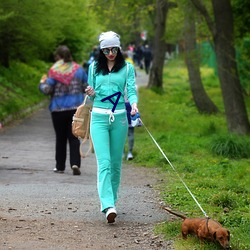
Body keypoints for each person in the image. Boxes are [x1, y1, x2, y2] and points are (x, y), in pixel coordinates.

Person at [85, 31, 138, 223]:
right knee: (104, 163)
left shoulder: (127, 68)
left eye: (114, 49)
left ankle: (112, 201)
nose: (110, 53)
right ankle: (107, 205)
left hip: (120, 119)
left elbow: (131, 90)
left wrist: (134, 104)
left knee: (116, 164)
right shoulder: (93, 68)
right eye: (106, 50)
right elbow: (91, 97)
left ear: (119, 48)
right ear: (101, 50)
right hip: (98, 118)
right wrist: (90, 92)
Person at [39, 45, 88, 175]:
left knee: (60, 138)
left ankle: (60, 166)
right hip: (75, 109)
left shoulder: (54, 71)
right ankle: (75, 163)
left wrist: (42, 83)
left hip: (58, 109)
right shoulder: (79, 70)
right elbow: (86, 87)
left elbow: (47, 90)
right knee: (74, 137)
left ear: (58, 57)